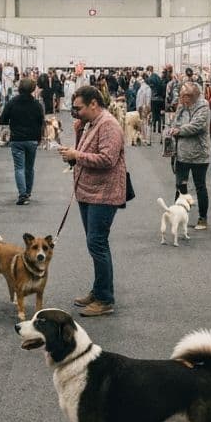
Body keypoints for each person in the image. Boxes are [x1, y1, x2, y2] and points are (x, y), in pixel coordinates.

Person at [59, 86, 126, 317]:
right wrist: (75, 150)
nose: (75, 113)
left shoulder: (108, 125)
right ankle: (99, 290)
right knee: (94, 244)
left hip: (104, 194)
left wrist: (77, 155)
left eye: (79, 108)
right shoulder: (90, 123)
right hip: (88, 192)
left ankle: (105, 299)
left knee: (97, 244)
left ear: (94, 104)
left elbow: (108, 159)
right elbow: (88, 152)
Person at [170, 80, 211, 230]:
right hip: (182, 153)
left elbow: (197, 126)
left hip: (199, 154)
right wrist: (172, 129)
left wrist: (179, 130)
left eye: (184, 97)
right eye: (181, 96)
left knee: (200, 186)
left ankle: (202, 218)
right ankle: (178, 216)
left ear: (193, 96)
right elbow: (175, 123)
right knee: (180, 186)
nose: (182, 100)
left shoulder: (203, 107)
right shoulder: (182, 107)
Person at [0, 77, 45, 204]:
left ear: (19, 88)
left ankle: (22, 195)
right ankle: (28, 192)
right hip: (32, 139)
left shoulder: (12, 102)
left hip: (17, 139)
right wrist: (39, 137)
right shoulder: (37, 104)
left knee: (19, 167)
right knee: (29, 167)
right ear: (33, 89)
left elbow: (2, 120)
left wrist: (12, 122)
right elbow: (41, 122)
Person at [135, 76, 152, 146]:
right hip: (146, 106)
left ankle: (144, 138)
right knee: (147, 123)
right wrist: (148, 107)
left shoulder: (141, 89)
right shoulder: (148, 89)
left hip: (142, 107)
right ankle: (147, 139)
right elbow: (148, 98)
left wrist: (138, 108)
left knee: (143, 122)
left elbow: (138, 100)